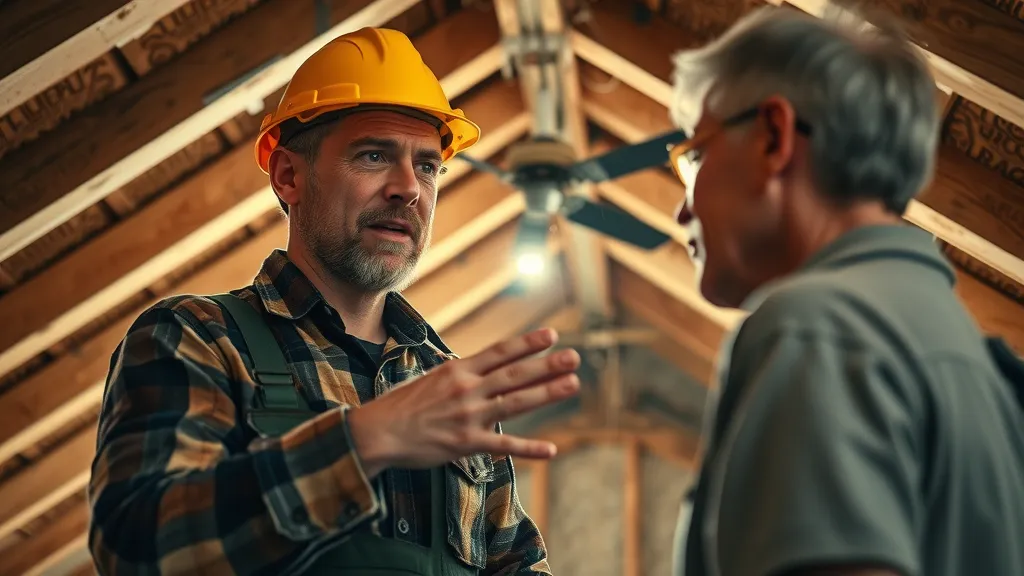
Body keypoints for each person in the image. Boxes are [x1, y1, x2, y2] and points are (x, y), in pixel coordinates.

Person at [86, 27, 580, 575]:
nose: (408, 188)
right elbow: (137, 547)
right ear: (288, 176)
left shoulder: (454, 393)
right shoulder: (198, 338)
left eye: (427, 166)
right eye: (374, 155)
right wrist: (364, 441)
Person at [664, 6, 1024, 576]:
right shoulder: (972, 360)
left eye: (696, 156)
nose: (682, 210)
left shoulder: (817, 328)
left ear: (773, 136)